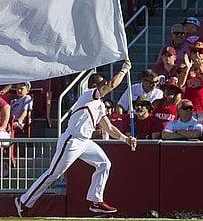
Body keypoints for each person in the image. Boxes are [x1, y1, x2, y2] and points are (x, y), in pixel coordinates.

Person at [15, 60, 136, 216]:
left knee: (104, 163)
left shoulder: (99, 105)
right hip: (71, 140)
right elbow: (112, 85)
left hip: (85, 142)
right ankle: (23, 201)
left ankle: (96, 201)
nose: (105, 85)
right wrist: (124, 70)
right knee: (53, 173)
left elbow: (110, 128)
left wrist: (126, 139)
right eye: (102, 83)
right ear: (95, 86)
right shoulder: (88, 95)